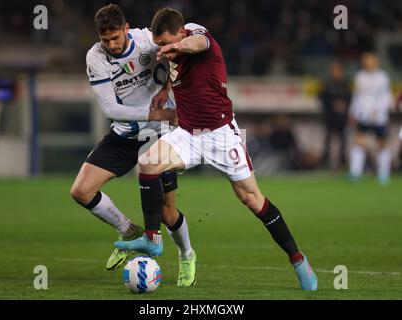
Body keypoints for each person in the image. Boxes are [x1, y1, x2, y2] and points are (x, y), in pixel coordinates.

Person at [115, 7, 317, 291]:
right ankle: (152, 238)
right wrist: (165, 91)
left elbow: (198, 43)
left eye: (166, 44)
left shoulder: (197, 35)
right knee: (147, 164)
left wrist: (177, 46)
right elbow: (179, 72)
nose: (163, 51)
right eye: (159, 45)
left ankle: (298, 260)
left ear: (180, 33)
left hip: (222, 135)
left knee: (252, 199)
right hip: (187, 133)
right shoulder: (171, 52)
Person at [70, 4, 197, 286]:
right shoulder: (96, 56)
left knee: (167, 212)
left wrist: (167, 90)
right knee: (81, 191)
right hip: (126, 134)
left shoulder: (147, 39)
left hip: (159, 135)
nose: (112, 45)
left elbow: (178, 56)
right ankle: (128, 231)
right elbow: (110, 108)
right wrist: (155, 112)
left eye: (116, 38)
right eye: (106, 40)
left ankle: (186, 254)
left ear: (127, 29)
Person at [348, 52, 393, 185]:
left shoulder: (382, 77)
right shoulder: (359, 76)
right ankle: (355, 173)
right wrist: (353, 112)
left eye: (370, 60)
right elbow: (357, 96)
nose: (368, 63)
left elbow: (386, 96)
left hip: (379, 117)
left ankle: (383, 174)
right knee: (359, 142)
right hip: (363, 115)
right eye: (365, 61)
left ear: (376, 62)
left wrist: (378, 110)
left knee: (382, 144)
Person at [319, 61, 351, 170]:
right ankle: (326, 163)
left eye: (338, 71)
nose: (336, 73)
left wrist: (344, 106)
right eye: (334, 71)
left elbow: (350, 99)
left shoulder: (346, 85)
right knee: (329, 142)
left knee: (343, 142)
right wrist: (333, 104)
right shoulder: (327, 85)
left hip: (342, 119)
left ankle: (342, 163)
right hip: (331, 119)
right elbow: (323, 99)